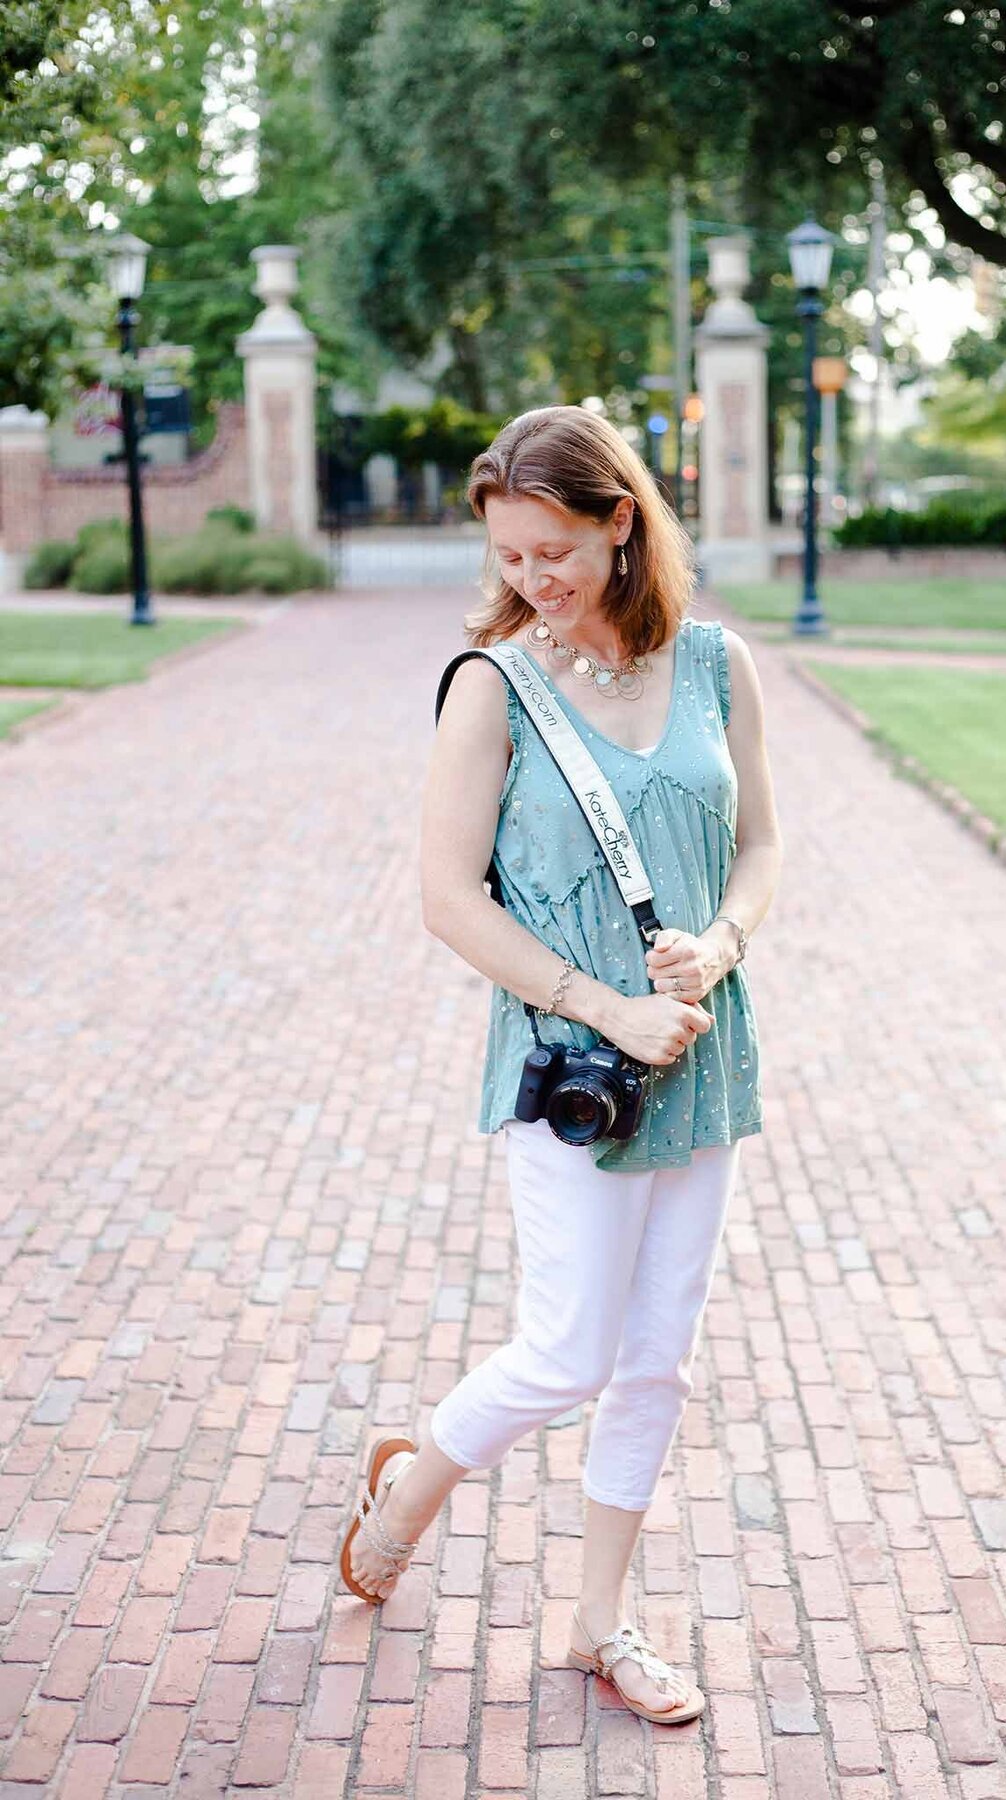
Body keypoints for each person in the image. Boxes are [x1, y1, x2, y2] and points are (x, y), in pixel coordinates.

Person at [339, 404, 782, 1724]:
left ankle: (602, 1626)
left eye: (554, 551)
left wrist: (722, 940)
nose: (531, 579)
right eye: (511, 556)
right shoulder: (494, 687)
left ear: (621, 523)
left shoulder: (715, 665)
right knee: (569, 1350)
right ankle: (412, 1482)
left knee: (656, 1363)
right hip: (570, 1065)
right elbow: (445, 900)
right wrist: (605, 1003)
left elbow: (762, 846)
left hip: (700, 1053)